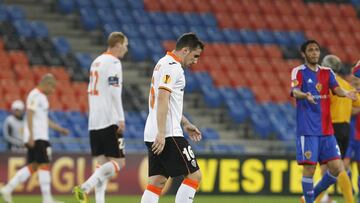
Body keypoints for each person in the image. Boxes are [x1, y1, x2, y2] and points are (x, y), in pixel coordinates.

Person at [290, 40, 357, 203]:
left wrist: (346, 93)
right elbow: (294, 90)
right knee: (310, 168)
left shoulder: (327, 72)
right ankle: (312, 200)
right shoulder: (298, 71)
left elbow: (336, 89)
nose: (314, 53)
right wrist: (305, 95)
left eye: (316, 50)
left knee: (336, 168)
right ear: (303, 53)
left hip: (328, 131)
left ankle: (309, 198)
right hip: (309, 130)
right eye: (310, 50)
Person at [140, 32, 204, 203]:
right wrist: (162, 132)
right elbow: (162, 98)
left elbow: (168, 102)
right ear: (185, 50)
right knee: (194, 176)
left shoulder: (162, 63)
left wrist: (185, 122)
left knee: (156, 182)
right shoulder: (172, 66)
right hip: (167, 133)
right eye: (195, 56)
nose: (195, 61)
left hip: (153, 131)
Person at [73, 31, 128, 203]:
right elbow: (114, 90)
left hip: (94, 121)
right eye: (125, 45)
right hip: (109, 118)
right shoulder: (114, 62)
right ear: (118, 45)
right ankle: (85, 187)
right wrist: (121, 117)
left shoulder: (96, 61)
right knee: (120, 163)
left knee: (101, 164)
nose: (126, 49)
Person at [0, 74, 69, 203]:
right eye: (52, 88)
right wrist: (31, 135)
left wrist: (59, 129)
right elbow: (30, 114)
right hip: (37, 136)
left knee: (34, 166)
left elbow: (44, 119)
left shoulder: (42, 97)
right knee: (44, 164)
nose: (53, 91)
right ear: (47, 84)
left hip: (39, 135)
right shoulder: (35, 95)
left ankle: (8, 188)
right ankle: (47, 199)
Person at [315, 55, 358, 203]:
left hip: (331, 128)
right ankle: (316, 199)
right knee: (327, 169)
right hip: (345, 128)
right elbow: (357, 104)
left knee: (337, 168)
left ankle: (350, 201)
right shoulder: (346, 85)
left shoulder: (328, 85)